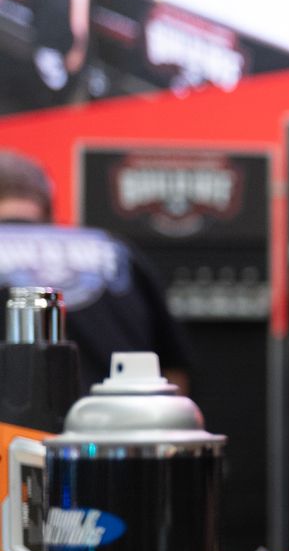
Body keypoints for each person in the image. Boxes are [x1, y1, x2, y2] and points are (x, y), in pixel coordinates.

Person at [0, 152, 191, 390]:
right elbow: (173, 369)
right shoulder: (115, 249)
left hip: (13, 422)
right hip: (114, 419)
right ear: (47, 203)